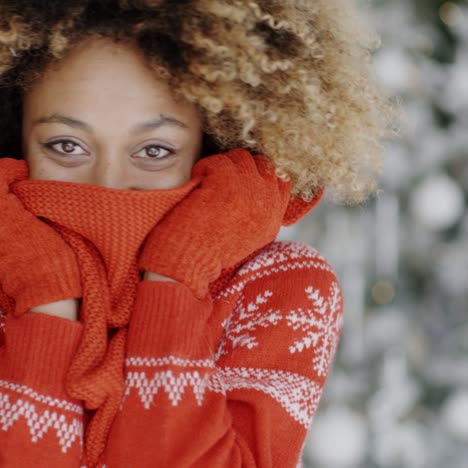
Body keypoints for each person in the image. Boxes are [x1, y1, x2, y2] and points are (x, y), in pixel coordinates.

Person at [0, 1, 398, 467]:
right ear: (14, 135)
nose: (107, 184)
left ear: (215, 145)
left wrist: (176, 276)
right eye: (66, 145)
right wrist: (43, 292)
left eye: (154, 149)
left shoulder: (279, 288)